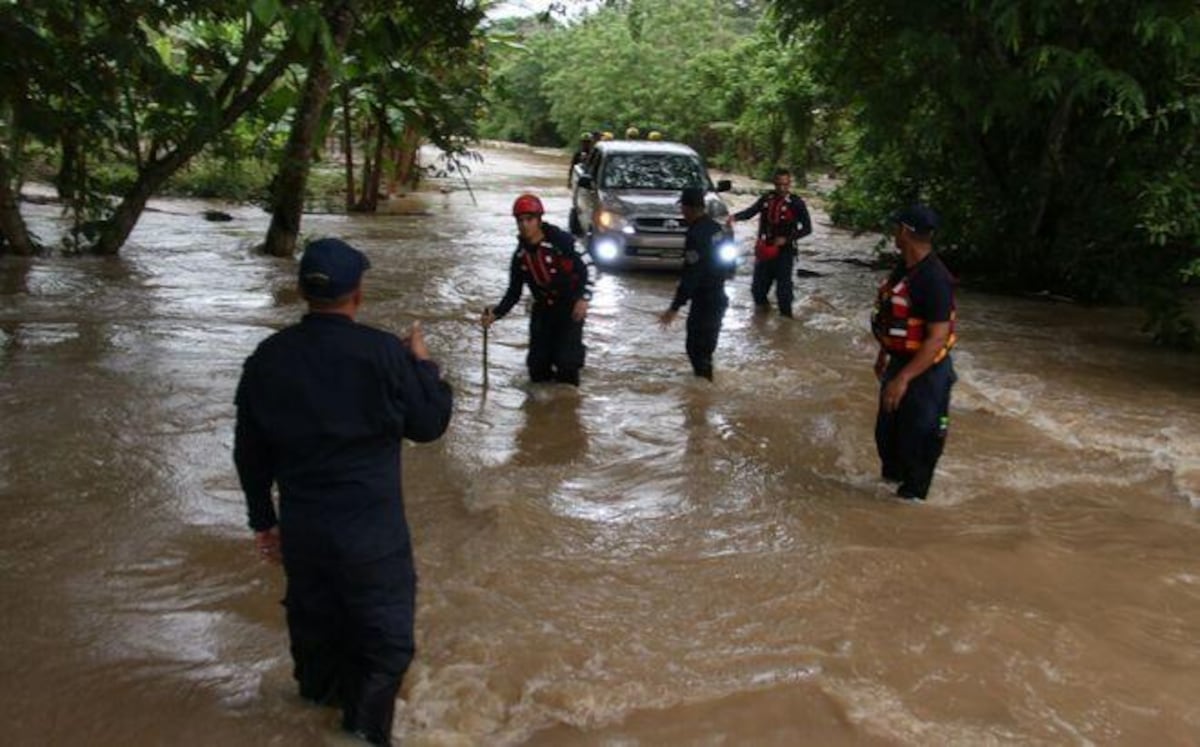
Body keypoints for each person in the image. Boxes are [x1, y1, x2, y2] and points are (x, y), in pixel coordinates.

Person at [234, 238, 454, 746]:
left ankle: (312, 720)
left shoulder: (268, 357)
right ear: (358, 293)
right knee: (387, 648)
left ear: (302, 292)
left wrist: (262, 521)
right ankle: (360, 735)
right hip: (371, 537)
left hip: (304, 531)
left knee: (316, 639)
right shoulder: (382, 353)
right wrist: (424, 366)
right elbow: (429, 424)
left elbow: (249, 453)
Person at [871, 205, 957, 501]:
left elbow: (936, 338)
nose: (894, 233)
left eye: (896, 227)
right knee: (888, 438)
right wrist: (884, 353)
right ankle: (885, 501)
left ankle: (912, 504)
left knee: (919, 441)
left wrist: (904, 378)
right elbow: (893, 316)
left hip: (926, 372)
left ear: (905, 232)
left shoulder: (935, 279)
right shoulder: (904, 269)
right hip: (900, 362)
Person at [482, 193, 593, 385]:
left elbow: (590, 267)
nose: (525, 225)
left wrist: (583, 299)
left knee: (566, 364)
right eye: (520, 220)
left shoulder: (563, 241)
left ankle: (569, 408)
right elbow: (514, 291)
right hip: (542, 310)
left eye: (530, 219)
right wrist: (496, 313)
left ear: (539, 220)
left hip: (570, 308)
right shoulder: (520, 255)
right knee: (537, 367)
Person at [659, 187, 735, 380]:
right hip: (718, 297)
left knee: (695, 348)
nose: (682, 212)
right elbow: (730, 260)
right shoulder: (717, 228)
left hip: (705, 300)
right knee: (706, 349)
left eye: (683, 207)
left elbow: (692, 274)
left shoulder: (695, 234)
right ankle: (704, 394)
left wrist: (675, 307)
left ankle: (702, 395)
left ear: (688, 208)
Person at [730, 168, 812, 318]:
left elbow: (808, 229)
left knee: (783, 292)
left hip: (785, 252)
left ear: (789, 184)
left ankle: (786, 323)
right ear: (774, 184)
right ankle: (762, 319)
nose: (782, 188)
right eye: (779, 184)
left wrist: (787, 239)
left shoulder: (796, 203)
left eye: (785, 185)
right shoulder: (767, 199)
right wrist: (734, 217)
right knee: (757, 290)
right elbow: (750, 212)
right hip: (765, 249)